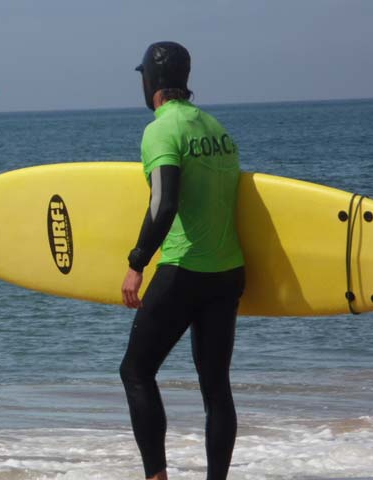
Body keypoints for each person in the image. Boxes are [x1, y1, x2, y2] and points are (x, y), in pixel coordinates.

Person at [119, 41, 246, 480]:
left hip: (183, 270)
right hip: (228, 273)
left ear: (151, 83)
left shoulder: (161, 128)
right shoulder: (217, 129)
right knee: (215, 387)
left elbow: (163, 203)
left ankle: (156, 477)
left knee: (135, 371)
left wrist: (137, 262)